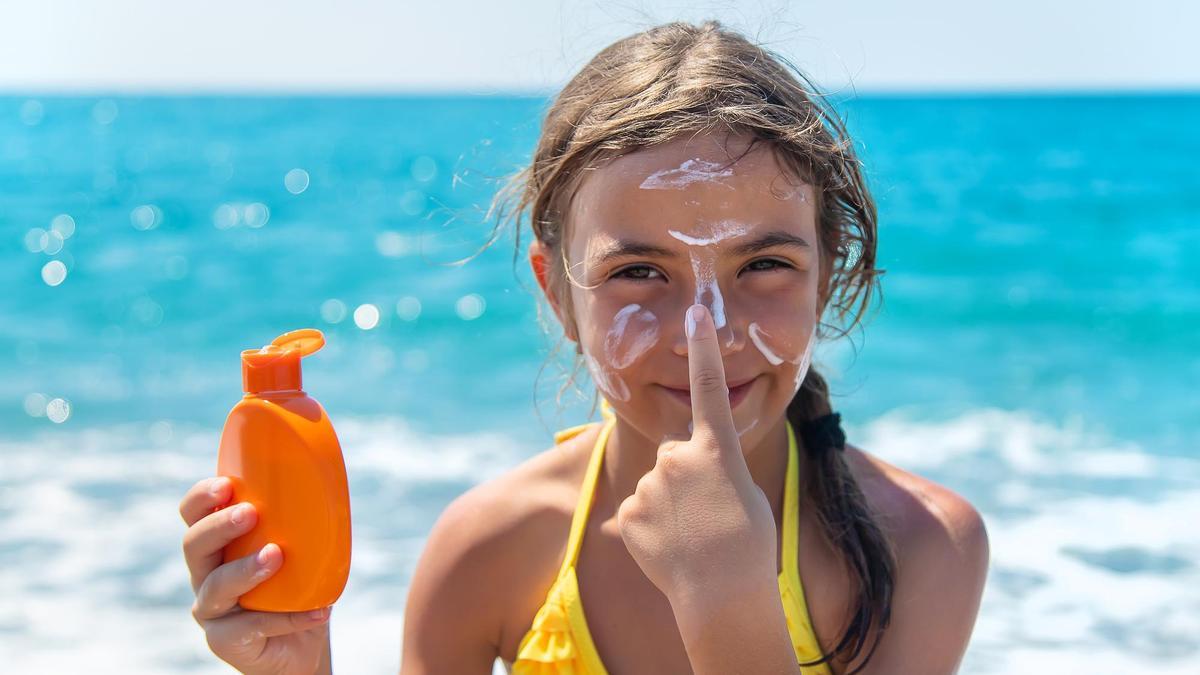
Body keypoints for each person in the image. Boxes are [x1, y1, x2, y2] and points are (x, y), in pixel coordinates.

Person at [179, 19, 989, 675]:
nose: (701, 331)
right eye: (639, 271)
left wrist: (730, 612)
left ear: (827, 272)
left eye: (765, 264)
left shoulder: (922, 546)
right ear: (556, 292)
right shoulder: (489, 550)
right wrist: (297, 670)